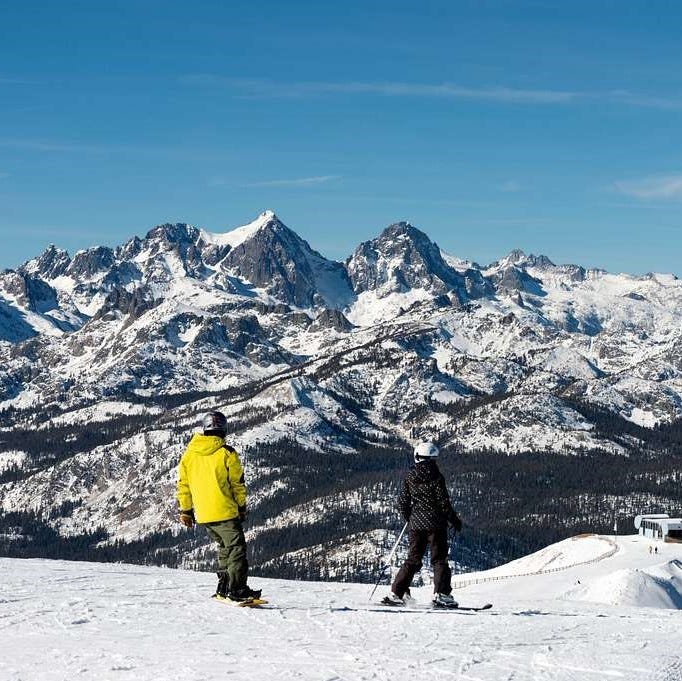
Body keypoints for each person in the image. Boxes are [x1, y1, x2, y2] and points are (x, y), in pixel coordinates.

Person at [177, 411, 260, 602]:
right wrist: (242, 506)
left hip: (204, 513)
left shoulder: (189, 455)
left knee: (224, 547)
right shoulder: (227, 453)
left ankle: (223, 587)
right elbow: (237, 484)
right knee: (237, 548)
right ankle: (237, 589)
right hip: (225, 510)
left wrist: (186, 510)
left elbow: (183, 485)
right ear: (223, 429)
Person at [383, 441, 462, 607]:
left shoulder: (410, 477)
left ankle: (396, 593)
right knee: (439, 559)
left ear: (417, 457)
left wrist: (410, 518)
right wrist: (454, 520)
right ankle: (441, 594)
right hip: (437, 525)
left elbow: (403, 502)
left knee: (413, 559)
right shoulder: (437, 477)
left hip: (416, 525)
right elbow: (443, 503)